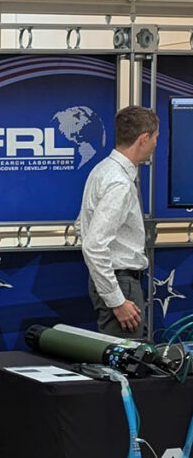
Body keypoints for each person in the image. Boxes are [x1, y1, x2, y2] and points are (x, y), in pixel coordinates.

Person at [76, 105, 159, 338]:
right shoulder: (119, 183)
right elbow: (93, 245)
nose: (156, 143)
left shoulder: (102, 170)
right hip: (120, 284)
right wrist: (117, 301)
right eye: (155, 137)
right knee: (126, 357)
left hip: (114, 281)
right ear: (143, 138)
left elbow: (81, 225)